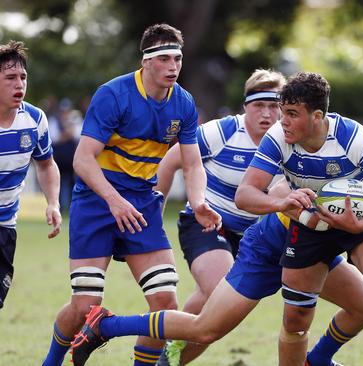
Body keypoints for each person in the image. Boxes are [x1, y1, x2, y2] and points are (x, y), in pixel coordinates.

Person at [69, 136, 363, 366]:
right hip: (266, 250)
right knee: (206, 328)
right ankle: (107, 325)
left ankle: (319, 359)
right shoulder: (332, 170)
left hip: (310, 260)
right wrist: (294, 206)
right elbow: (281, 183)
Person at [42, 24, 221, 366]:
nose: (173, 66)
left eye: (178, 59)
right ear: (146, 62)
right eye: (165, 58)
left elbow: (193, 165)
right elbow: (82, 159)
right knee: (84, 307)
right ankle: (50, 362)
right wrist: (114, 200)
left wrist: (199, 201)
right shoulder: (114, 94)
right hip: (96, 202)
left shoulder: (183, 103)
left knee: (166, 301)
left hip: (141, 204)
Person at [235, 72, 363, 366]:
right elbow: (245, 194)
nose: (283, 121)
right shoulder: (278, 137)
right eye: (283, 112)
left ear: (317, 116)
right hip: (312, 223)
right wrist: (281, 201)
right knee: (296, 318)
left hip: (361, 218)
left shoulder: (354, 138)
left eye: (292, 114)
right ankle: (314, 362)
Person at [152, 68, 286, 364]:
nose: (266, 114)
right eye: (259, 106)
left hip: (255, 238)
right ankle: (165, 352)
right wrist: (154, 217)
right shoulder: (221, 132)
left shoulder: (287, 142)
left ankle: (167, 354)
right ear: (245, 107)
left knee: (218, 308)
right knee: (218, 294)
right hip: (207, 223)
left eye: (274, 106)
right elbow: (170, 161)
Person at [0, 40, 62, 310]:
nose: (19, 84)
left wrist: (53, 202)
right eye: (10, 77)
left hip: (5, 226)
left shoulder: (34, 120)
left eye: (23, 77)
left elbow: (46, 164)